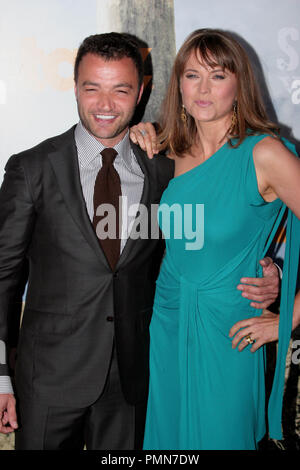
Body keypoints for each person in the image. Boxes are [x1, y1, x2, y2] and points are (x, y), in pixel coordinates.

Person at [0, 32, 280, 450]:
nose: (105, 105)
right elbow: (3, 276)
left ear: (142, 91)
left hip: (136, 380)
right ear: (75, 87)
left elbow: (203, 240)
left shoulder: (166, 167)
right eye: (92, 88)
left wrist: (271, 269)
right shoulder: (32, 168)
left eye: (121, 90)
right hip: (50, 380)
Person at [130, 28, 300, 450]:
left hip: (230, 328)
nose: (203, 89)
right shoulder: (165, 151)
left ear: (240, 85)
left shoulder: (264, 154)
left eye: (218, 76)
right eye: (192, 76)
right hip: (167, 319)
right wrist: (134, 134)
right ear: (179, 87)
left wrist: (288, 319)